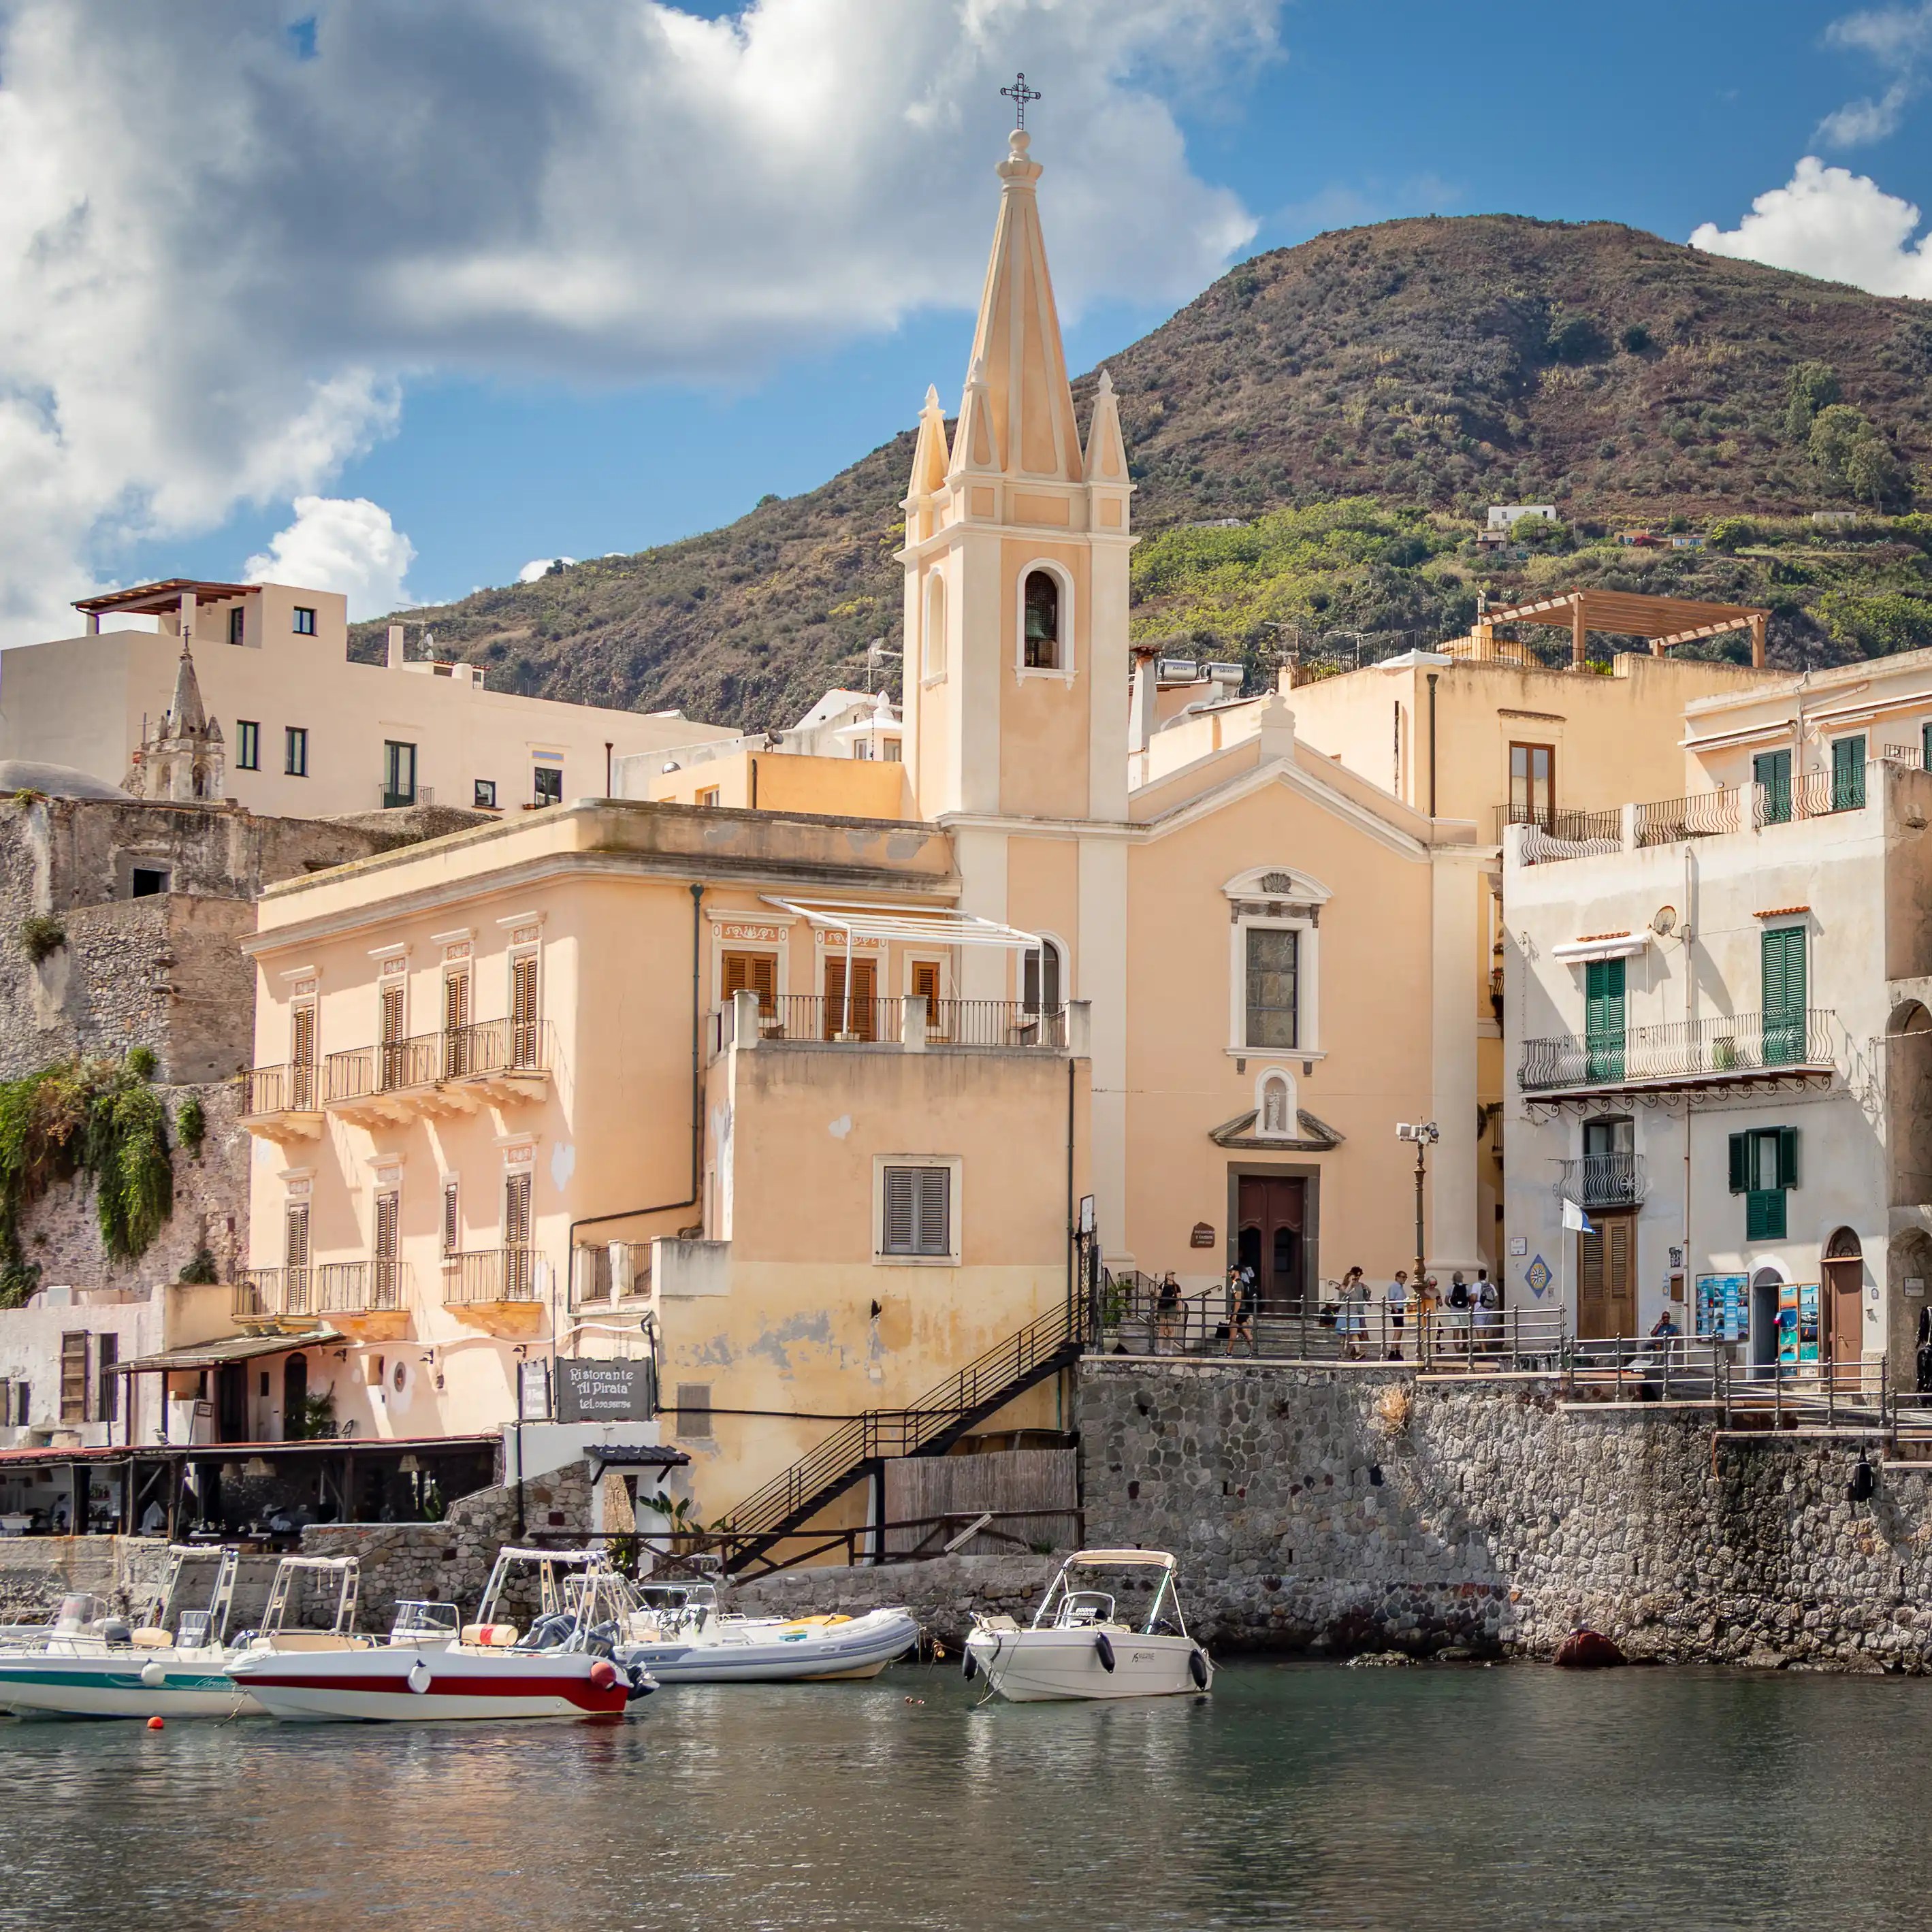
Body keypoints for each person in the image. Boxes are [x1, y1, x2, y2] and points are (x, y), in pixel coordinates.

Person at [1225, 1265, 1255, 1357]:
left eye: (1231, 1271)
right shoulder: (1240, 1283)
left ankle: (1229, 1352)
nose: (1229, 1273)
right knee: (1245, 1331)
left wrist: (1234, 1314)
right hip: (1242, 1311)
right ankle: (1253, 1351)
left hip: (1239, 1311)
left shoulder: (1237, 1284)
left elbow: (1238, 1300)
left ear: (1237, 1272)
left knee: (1234, 1330)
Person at [1155, 1272, 1183, 1353]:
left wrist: (1179, 1312)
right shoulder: (1162, 1286)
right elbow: (1157, 1297)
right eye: (1170, 1275)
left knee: (1171, 1329)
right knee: (1161, 1329)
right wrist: (1156, 1310)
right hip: (1162, 1307)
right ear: (1167, 1276)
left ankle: (1170, 1350)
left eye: (1173, 1275)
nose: (1172, 1276)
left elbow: (1179, 1300)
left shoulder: (1176, 1286)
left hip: (1172, 1308)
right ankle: (1160, 1349)